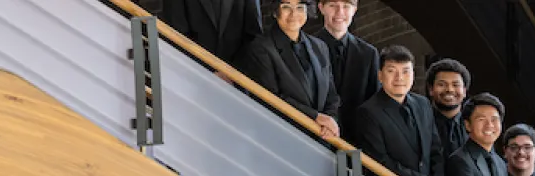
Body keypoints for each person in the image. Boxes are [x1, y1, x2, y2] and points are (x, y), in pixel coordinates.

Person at [351, 46, 447, 176]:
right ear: (380, 75)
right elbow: (380, 162)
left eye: (405, 71)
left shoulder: (423, 104)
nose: (399, 78)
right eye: (391, 71)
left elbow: (435, 151)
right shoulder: (368, 112)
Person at [240, 1, 338, 140]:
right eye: (286, 7)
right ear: (275, 11)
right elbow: (270, 98)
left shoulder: (320, 47)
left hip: (322, 138)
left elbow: (332, 95)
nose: (294, 14)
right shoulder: (260, 48)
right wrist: (315, 117)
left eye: (300, 7)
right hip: (283, 137)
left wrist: (330, 121)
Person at [313, 0, 379, 133]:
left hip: (355, 141)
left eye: (346, 6)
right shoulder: (308, 49)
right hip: (317, 134)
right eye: (333, 5)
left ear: (354, 9)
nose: (340, 12)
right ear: (321, 7)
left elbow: (374, 102)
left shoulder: (368, 54)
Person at [161, 0, 262, 66]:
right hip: (193, 78)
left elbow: (253, 37)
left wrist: (231, 73)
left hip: (237, 82)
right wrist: (207, 75)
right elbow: (176, 36)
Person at [423, 58, 471, 158]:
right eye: (442, 84)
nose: (449, 89)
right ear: (431, 90)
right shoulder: (420, 123)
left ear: (464, 91)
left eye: (455, 85)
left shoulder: (473, 126)